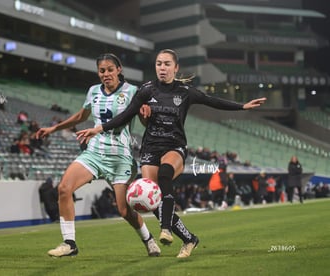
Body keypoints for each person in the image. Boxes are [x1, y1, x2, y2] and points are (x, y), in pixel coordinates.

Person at [76, 49, 267, 258]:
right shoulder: (146, 90)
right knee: (153, 200)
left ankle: (165, 229)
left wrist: (242, 106)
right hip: (150, 147)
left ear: (176, 68)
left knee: (165, 174)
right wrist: (98, 128)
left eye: (167, 64)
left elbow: (212, 101)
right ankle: (189, 239)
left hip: (174, 146)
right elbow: (125, 115)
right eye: (159, 64)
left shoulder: (185, 91)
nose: (162, 68)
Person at [36, 53, 161, 258]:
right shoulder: (93, 91)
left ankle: (148, 239)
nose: (106, 74)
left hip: (120, 158)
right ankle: (69, 243)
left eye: (110, 69)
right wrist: (54, 128)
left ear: (118, 70)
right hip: (94, 153)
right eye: (102, 71)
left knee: (124, 211)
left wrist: (147, 116)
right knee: (64, 188)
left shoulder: (132, 91)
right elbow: (80, 116)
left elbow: (144, 121)